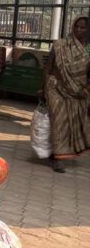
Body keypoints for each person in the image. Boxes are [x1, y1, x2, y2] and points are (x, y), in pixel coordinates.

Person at [42, 16, 90, 173]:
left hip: (78, 91)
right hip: (55, 87)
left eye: (83, 27)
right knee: (59, 121)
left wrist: (86, 89)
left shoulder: (88, 48)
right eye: (76, 26)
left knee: (71, 123)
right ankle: (58, 159)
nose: (78, 30)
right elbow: (48, 67)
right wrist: (42, 88)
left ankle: (57, 152)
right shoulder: (60, 45)